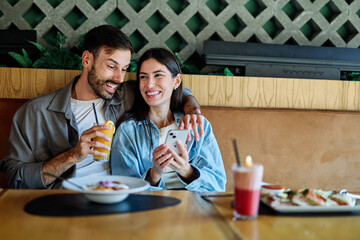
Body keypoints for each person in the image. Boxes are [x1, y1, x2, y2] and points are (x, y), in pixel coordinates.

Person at [0, 25, 203, 189]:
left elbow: (167, 90)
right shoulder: (36, 113)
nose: (119, 78)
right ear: (87, 59)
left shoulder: (127, 94)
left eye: (124, 69)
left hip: (120, 198)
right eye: (111, 66)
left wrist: (192, 108)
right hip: (65, 204)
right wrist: (73, 155)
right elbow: (16, 180)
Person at [111, 48, 226, 192]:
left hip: (194, 207)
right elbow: (124, 189)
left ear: (176, 80)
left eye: (158, 75)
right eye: (143, 77)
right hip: (151, 209)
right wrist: (155, 174)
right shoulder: (128, 132)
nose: (149, 84)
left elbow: (217, 185)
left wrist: (186, 170)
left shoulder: (197, 125)